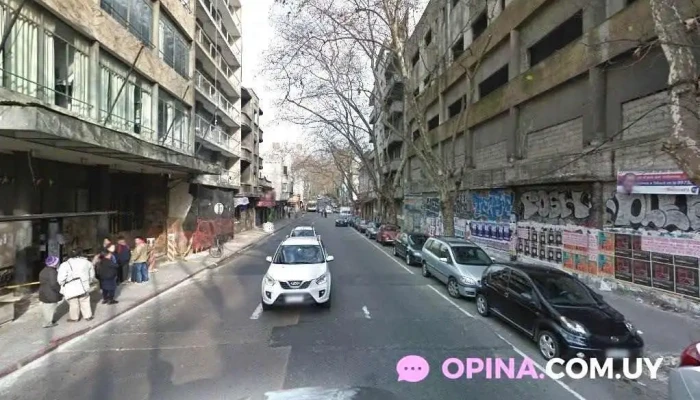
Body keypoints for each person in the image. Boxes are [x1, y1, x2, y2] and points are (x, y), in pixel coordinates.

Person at [57, 249, 95, 322]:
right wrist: (89, 281)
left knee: (73, 302)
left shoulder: (65, 265)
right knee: (85, 300)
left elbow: (61, 279)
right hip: (84, 285)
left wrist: (62, 284)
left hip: (71, 287)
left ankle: (75, 318)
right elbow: (92, 275)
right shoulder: (87, 262)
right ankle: (88, 316)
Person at [38, 256, 62, 328]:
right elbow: (54, 284)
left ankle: (47, 320)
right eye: (56, 262)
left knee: (46, 307)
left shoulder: (43, 270)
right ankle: (48, 323)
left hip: (44, 292)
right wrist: (60, 290)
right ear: (54, 264)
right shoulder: (52, 272)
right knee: (50, 308)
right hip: (51, 293)